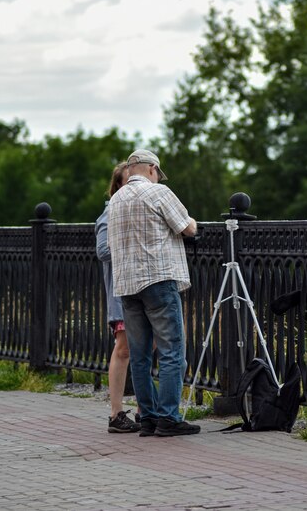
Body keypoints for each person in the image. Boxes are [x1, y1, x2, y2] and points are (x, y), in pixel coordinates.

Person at [107, 149, 200, 437]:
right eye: (158, 172)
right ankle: (168, 418)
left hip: (127, 285)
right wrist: (193, 224)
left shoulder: (115, 200)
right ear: (151, 169)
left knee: (140, 355)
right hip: (158, 280)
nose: (158, 176)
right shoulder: (159, 192)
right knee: (173, 352)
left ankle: (146, 417)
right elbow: (187, 228)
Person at [95, 162, 140, 433]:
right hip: (121, 293)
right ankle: (115, 413)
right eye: (128, 181)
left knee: (148, 348)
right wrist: (134, 244)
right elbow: (102, 250)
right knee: (123, 350)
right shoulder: (111, 212)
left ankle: (143, 409)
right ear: (119, 186)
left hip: (139, 290)